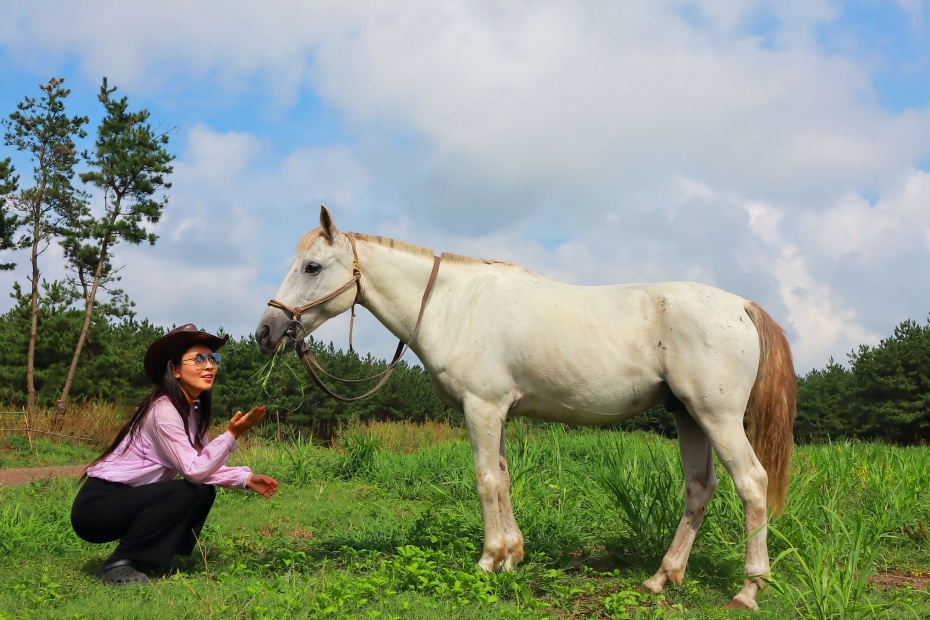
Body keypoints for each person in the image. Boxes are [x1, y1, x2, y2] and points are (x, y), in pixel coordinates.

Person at [71, 324, 278, 586]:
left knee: (202, 490)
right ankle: (117, 564)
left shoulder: (192, 410)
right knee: (188, 490)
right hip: (98, 507)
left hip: (127, 499)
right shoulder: (164, 410)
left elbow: (201, 464)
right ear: (176, 370)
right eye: (199, 359)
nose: (210, 366)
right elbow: (194, 471)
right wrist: (231, 436)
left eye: (213, 359)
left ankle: (154, 558)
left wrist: (244, 478)